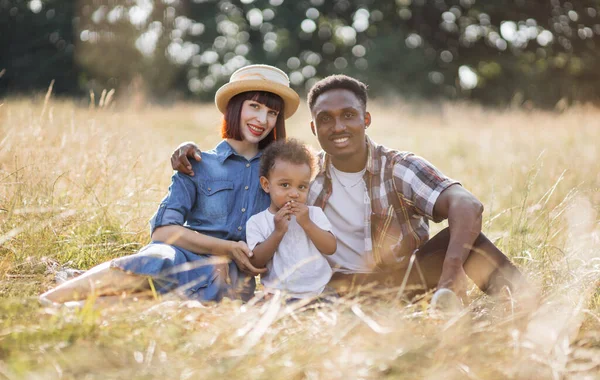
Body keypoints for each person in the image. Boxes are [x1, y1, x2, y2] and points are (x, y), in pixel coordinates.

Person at [171, 74, 529, 306]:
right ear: (313, 129)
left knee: (471, 241)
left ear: (366, 119)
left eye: (348, 115)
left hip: (403, 278)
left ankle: (531, 308)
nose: (337, 126)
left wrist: (450, 278)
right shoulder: (305, 176)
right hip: (336, 289)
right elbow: (250, 164)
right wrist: (193, 152)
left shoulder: (397, 167)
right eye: (326, 119)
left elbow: (467, 205)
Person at [40, 64, 300, 304]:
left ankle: (69, 306)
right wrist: (227, 248)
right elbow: (163, 232)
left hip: (226, 281)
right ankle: (50, 299)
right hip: (180, 256)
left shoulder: (280, 174)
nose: (262, 120)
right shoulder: (198, 162)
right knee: (157, 260)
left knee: (164, 306)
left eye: (272, 113)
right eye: (254, 106)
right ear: (235, 107)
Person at [246, 139, 336, 299]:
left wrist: (307, 223)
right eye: (285, 185)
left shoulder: (314, 214)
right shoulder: (257, 222)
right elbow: (256, 262)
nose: (294, 193)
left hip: (320, 290)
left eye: (302, 187)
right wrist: (278, 232)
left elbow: (330, 248)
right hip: (279, 296)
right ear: (266, 185)